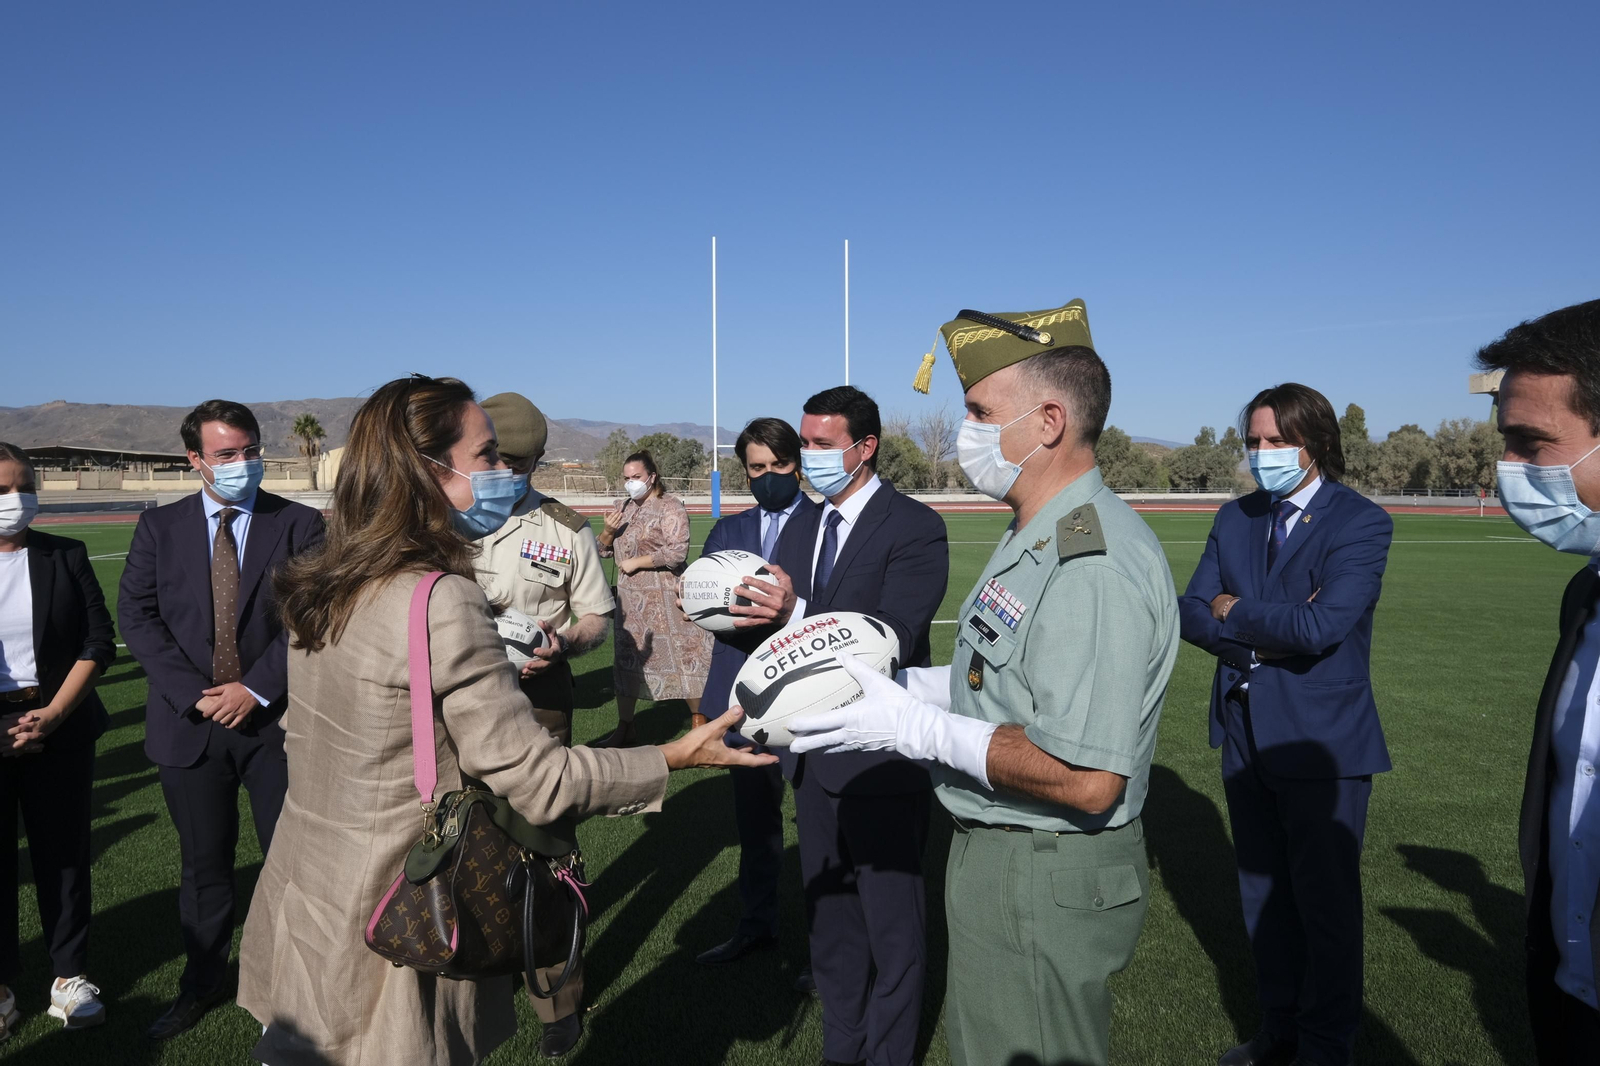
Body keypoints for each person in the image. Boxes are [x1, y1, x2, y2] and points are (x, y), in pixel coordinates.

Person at [237, 375, 775, 1066]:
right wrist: (674, 755)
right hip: (396, 910)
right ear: (427, 470)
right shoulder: (437, 598)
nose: (503, 473)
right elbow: (540, 780)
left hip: (304, 893)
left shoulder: (325, 578)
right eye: (486, 455)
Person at [789, 300, 1180, 1066]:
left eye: (978, 413)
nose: (964, 432)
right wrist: (915, 689)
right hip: (1004, 851)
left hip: (1042, 862)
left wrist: (919, 729)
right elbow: (1004, 678)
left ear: (1049, 422)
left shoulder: (1090, 563)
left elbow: (1087, 777)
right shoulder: (1036, 531)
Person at [1178, 383, 1393, 1066]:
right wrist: (1258, 636)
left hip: (1320, 739)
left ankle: (1326, 1048)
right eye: (1254, 441)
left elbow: (1321, 627)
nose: (1262, 452)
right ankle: (1279, 1033)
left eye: (1277, 440)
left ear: (1316, 443)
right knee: (1262, 893)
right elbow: (1189, 611)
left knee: (1324, 906)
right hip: (1243, 726)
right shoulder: (1235, 516)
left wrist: (1234, 610)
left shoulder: (1360, 522)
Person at [733, 385, 949, 1066]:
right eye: (805, 444)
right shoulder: (803, 526)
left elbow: (893, 636)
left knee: (893, 929)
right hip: (811, 758)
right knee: (830, 924)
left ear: (865, 447)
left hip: (880, 758)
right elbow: (773, 641)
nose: (809, 457)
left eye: (822, 445)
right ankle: (841, 1048)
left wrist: (794, 615)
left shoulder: (914, 526)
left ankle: (889, 1056)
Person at [117, 400, 327, 1041]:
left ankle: (292, 993)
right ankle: (203, 982)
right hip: (190, 726)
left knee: (289, 866)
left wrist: (255, 689)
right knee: (204, 868)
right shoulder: (159, 527)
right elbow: (138, 618)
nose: (243, 463)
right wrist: (198, 695)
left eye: (251, 450)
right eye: (227, 454)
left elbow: (311, 617)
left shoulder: (300, 524)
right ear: (195, 460)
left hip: (273, 728)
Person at [1474, 299, 1600, 1065]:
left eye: (1533, 443)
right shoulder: (1584, 594)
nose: (1509, 471)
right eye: (1506, 442)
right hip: (1568, 994)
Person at [471, 391, 614, 1057]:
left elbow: (596, 617)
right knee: (457, 839)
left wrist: (567, 644)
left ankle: (558, 999)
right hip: (450, 704)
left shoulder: (565, 528)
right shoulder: (435, 518)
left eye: (518, 464)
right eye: (493, 459)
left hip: (539, 703)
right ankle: (466, 971)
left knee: (545, 849)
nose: (503, 473)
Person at [692, 418, 820, 969]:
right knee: (757, 826)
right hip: (742, 698)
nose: (769, 476)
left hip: (809, 692)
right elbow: (705, 602)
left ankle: (824, 948)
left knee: (819, 827)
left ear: (798, 465)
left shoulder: (826, 525)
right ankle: (756, 926)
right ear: (745, 471)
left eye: (779, 465)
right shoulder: (728, 531)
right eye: (757, 467)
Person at [0, 443, 115, 1039]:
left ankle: (68, 977)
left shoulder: (64, 554)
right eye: (2, 490)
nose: (16, 500)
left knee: (64, 855)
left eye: (25, 487)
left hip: (59, 726)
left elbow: (98, 640)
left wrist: (52, 714)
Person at [593, 451, 713, 747]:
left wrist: (638, 562)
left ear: (652, 477)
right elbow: (602, 552)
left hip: (668, 596)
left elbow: (677, 552)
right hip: (630, 602)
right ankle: (626, 728)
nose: (630, 483)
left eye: (636, 477)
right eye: (626, 478)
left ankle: (702, 731)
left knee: (686, 659)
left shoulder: (670, 506)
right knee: (628, 661)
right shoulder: (621, 508)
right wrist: (607, 532)